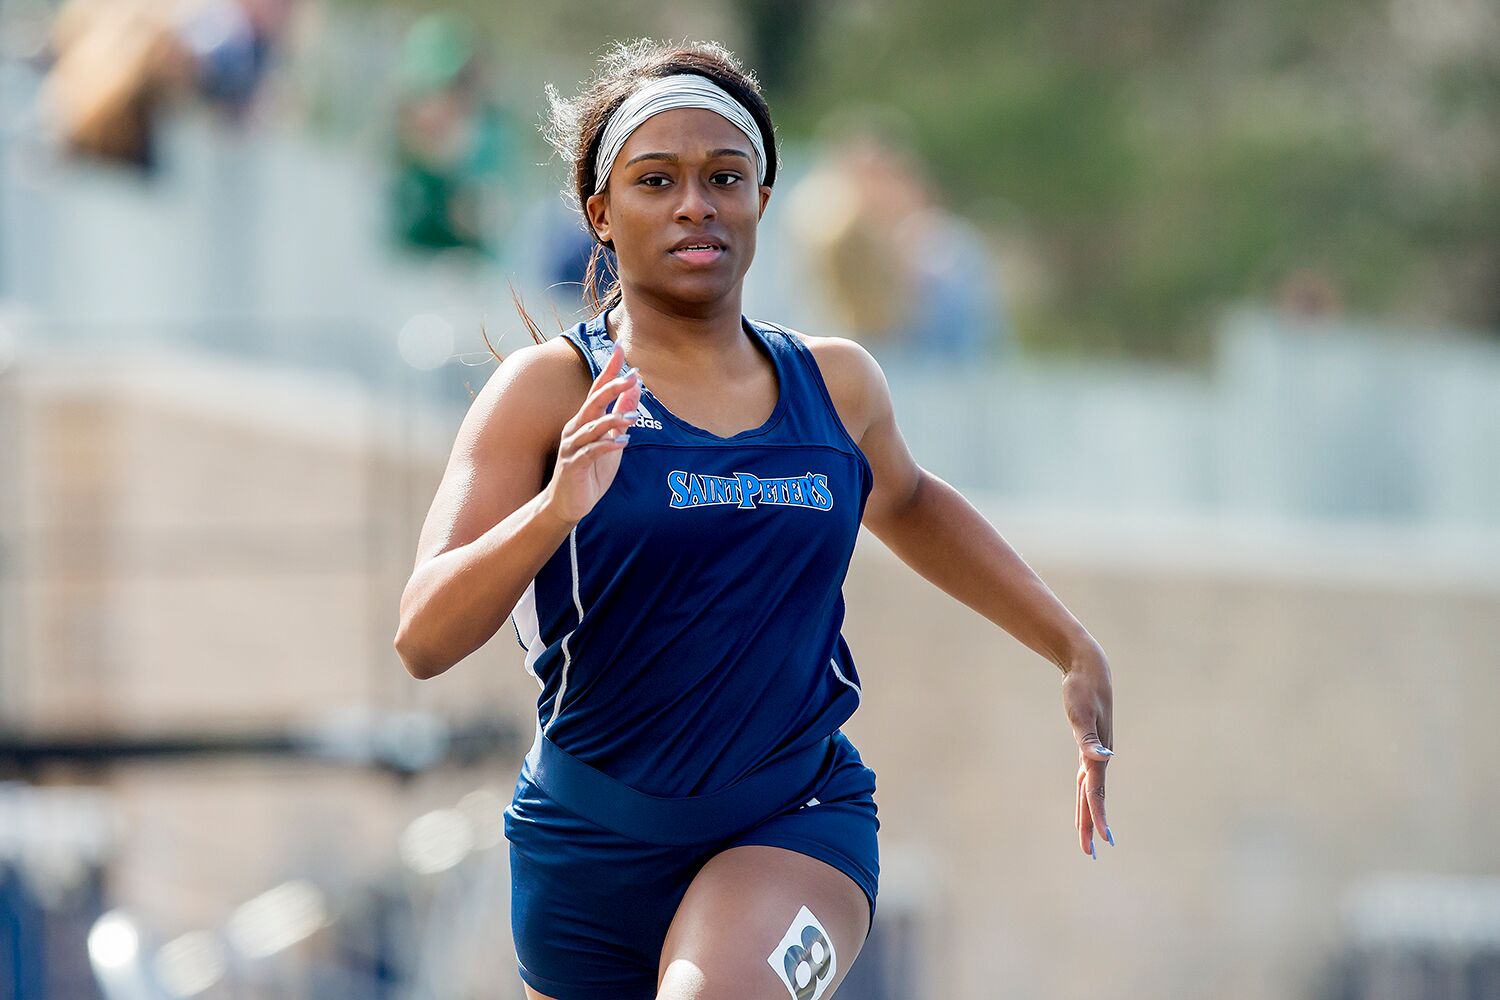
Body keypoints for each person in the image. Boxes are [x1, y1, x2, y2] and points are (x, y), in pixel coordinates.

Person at [393, 39, 1116, 1000]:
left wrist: (1070, 645)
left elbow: (906, 498)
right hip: (586, 851)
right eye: (657, 180)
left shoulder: (837, 385)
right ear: (601, 213)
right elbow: (422, 637)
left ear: (762, 201)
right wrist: (553, 510)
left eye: (725, 177)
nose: (696, 203)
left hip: (794, 821)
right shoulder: (548, 393)